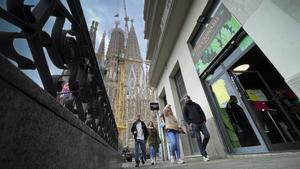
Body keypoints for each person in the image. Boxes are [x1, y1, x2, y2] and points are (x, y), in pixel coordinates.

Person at [183, 95, 210, 162]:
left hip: (201, 122)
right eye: (185, 99)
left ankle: (202, 149)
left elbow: (202, 112)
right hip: (194, 124)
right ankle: (204, 155)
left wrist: (204, 120)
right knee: (198, 139)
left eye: (187, 99)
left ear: (189, 98)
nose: (186, 100)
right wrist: (189, 123)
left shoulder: (196, 105)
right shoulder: (185, 107)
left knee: (207, 135)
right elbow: (185, 117)